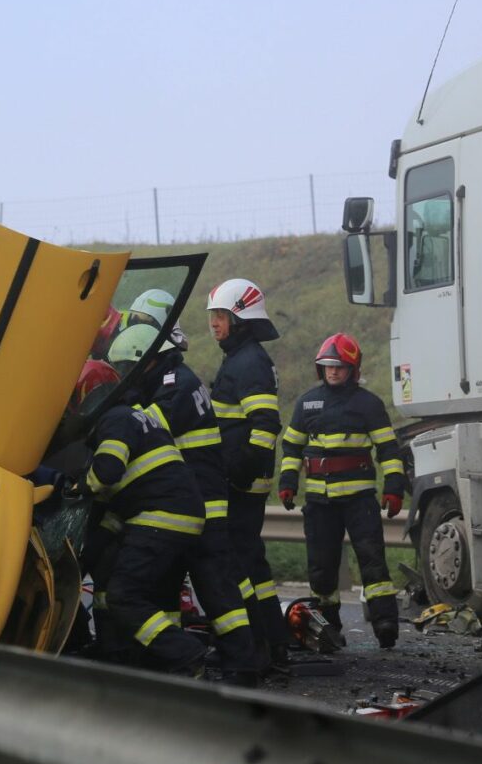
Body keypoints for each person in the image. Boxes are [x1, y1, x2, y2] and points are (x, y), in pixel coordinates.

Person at [109, 325, 259, 685]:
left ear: (148, 361)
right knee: (167, 586)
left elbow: (144, 428)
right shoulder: (173, 378)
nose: (123, 377)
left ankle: (242, 666)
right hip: (190, 499)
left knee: (217, 588)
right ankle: (175, 663)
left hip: (202, 502)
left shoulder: (175, 384)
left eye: (127, 368)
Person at [77, 363, 210, 676]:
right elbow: (116, 509)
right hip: (172, 516)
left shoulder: (114, 419)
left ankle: (186, 653)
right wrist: (86, 558)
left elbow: (107, 472)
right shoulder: (136, 417)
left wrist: (80, 486)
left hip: (160, 518)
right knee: (151, 596)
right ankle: (137, 658)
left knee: (124, 596)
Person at [279, 333, 404, 649]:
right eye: (328, 366)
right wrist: (287, 483)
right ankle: (328, 628)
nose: (333, 372)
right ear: (319, 369)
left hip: (360, 499)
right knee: (321, 569)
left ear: (353, 369)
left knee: (372, 561)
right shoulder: (307, 402)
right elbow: (292, 446)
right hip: (319, 501)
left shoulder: (368, 404)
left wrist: (393, 489)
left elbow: (388, 449)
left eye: (340, 367)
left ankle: (385, 623)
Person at [204, 278, 291, 662]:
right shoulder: (241, 358)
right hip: (243, 479)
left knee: (235, 562)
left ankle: (255, 644)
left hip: (241, 482)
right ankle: (273, 640)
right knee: (251, 562)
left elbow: (265, 426)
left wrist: (238, 473)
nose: (214, 323)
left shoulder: (249, 362)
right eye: (213, 316)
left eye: (221, 316)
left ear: (240, 319)